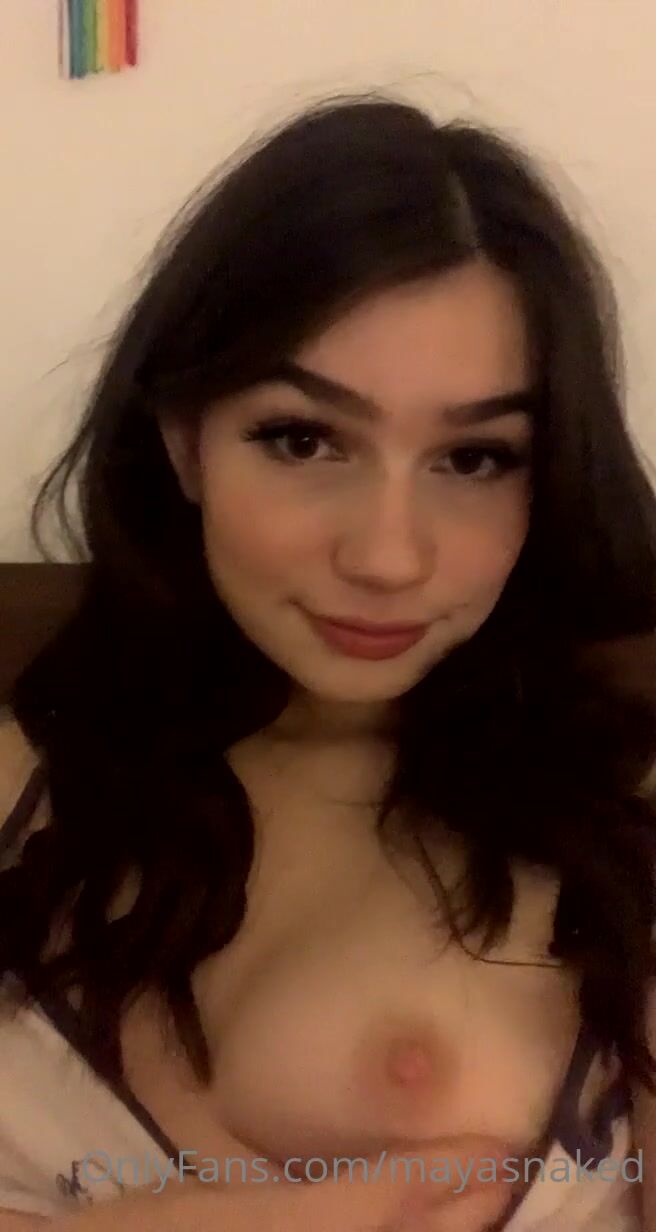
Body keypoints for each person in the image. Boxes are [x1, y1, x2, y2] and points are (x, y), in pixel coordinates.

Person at [0, 90, 655, 1232]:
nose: (388, 557)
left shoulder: (624, 828)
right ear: (184, 441)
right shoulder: (23, 783)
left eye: (473, 457)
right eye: (302, 439)